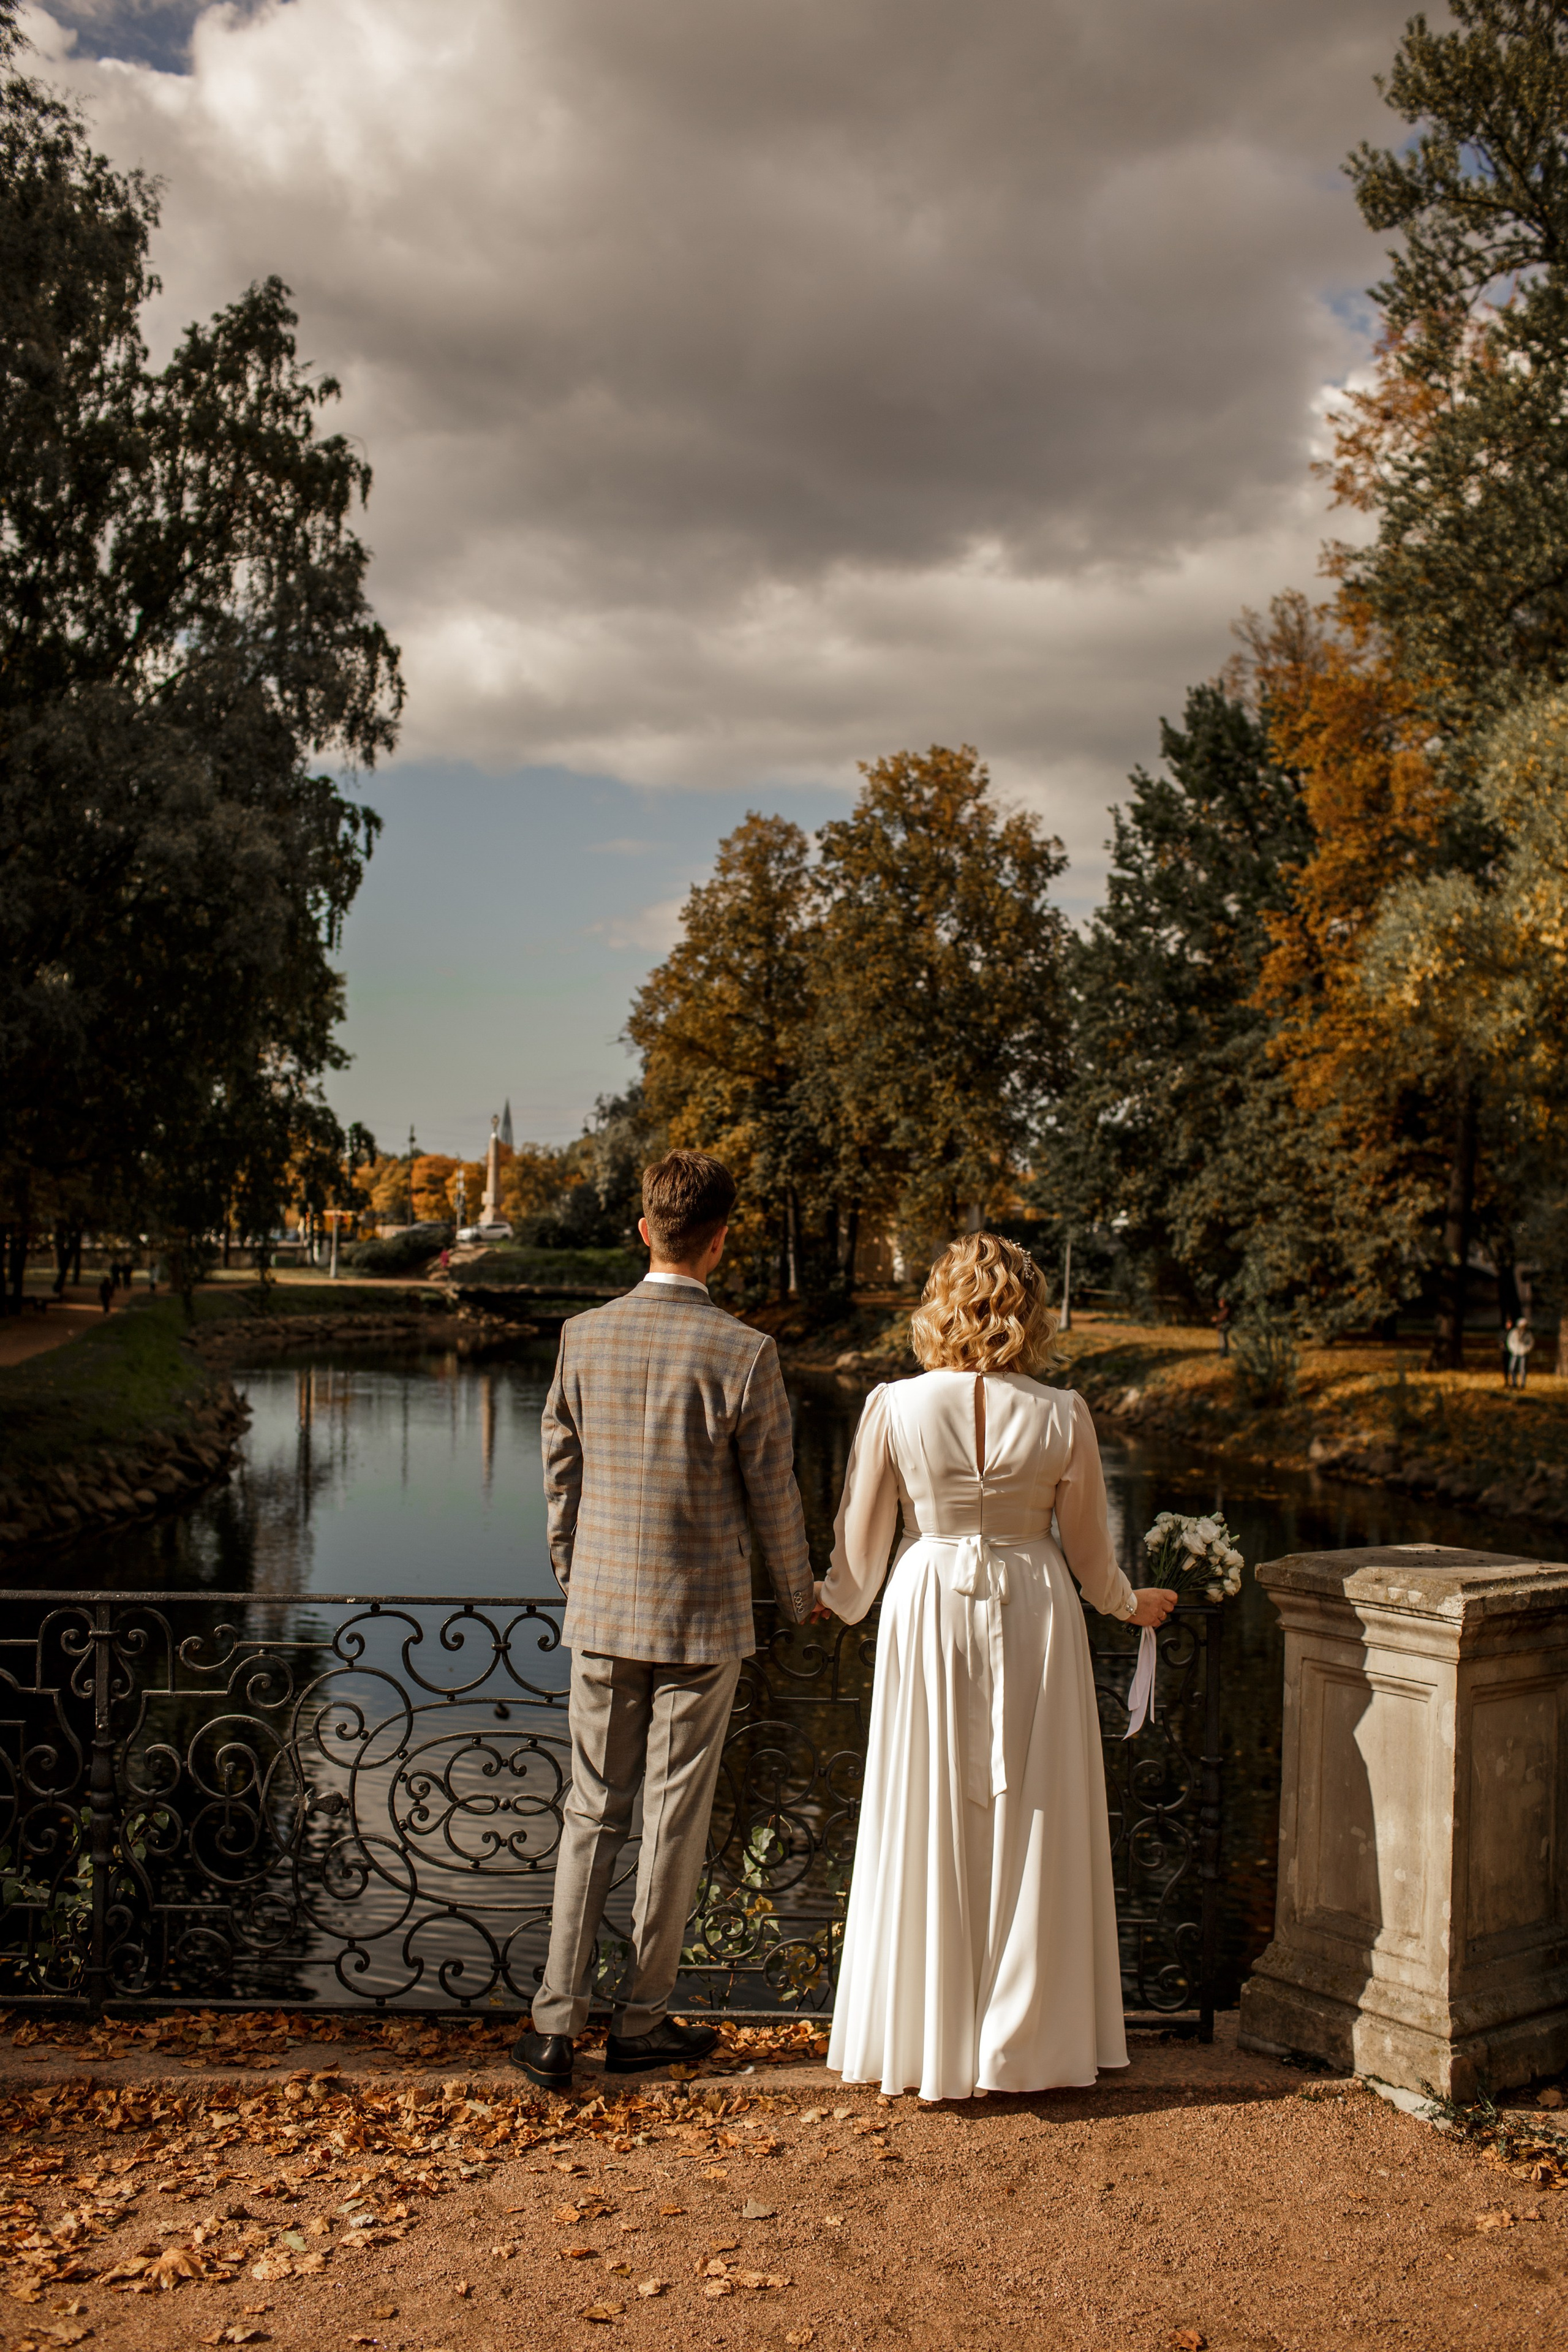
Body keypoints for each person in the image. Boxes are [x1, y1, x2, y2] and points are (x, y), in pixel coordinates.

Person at [816, 1231, 1177, 2103]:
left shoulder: (893, 1406)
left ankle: (924, 2036)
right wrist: (1135, 1606)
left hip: (929, 1598)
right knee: (1037, 1810)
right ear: (1029, 1310)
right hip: (1035, 1606)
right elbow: (1093, 1558)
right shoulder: (1063, 1412)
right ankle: (1031, 2041)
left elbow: (859, 1552)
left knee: (926, 1806)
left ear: (939, 1304)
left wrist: (830, 1596)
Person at [514, 1149, 815, 2094]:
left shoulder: (582, 1336)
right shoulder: (746, 1352)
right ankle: (640, 2019)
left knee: (589, 1810)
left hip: (604, 1611)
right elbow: (776, 1499)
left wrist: (575, 1572)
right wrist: (802, 1595)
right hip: (702, 1620)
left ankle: (553, 2024)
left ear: (645, 1229)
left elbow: (559, 1470)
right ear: (720, 1240)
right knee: (674, 1818)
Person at [1506, 1315, 1534, 1391]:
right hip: (1515, 1353)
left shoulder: (1528, 1334)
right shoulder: (1514, 1333)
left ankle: (1522, 1384)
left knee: (1522, 1369)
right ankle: (1514, 1383)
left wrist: (1526, 1350)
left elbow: (1531, 1343)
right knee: (1512, 1368)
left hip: (1523, 1353)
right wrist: (1513, 1349)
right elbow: (1510, 1342)